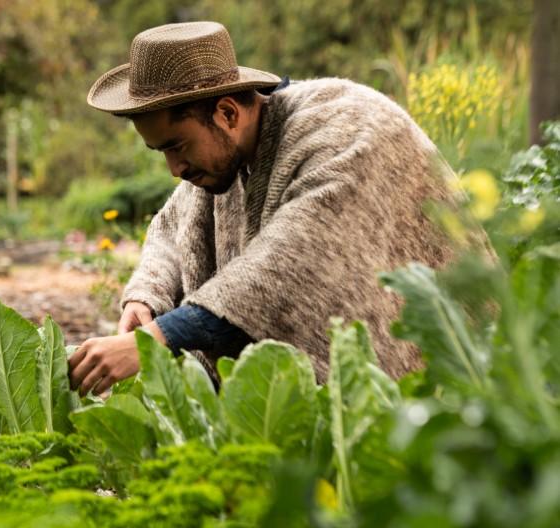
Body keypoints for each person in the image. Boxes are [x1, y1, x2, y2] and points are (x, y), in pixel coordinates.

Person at [67, 21, 460, 397]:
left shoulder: (350, 130)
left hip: (448, 384)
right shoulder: (227, 153)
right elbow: (172, 229)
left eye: (177, 146)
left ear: (227, 113)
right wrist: (146, 300)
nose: (174, 170)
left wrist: (156, 339)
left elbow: (292, 266)